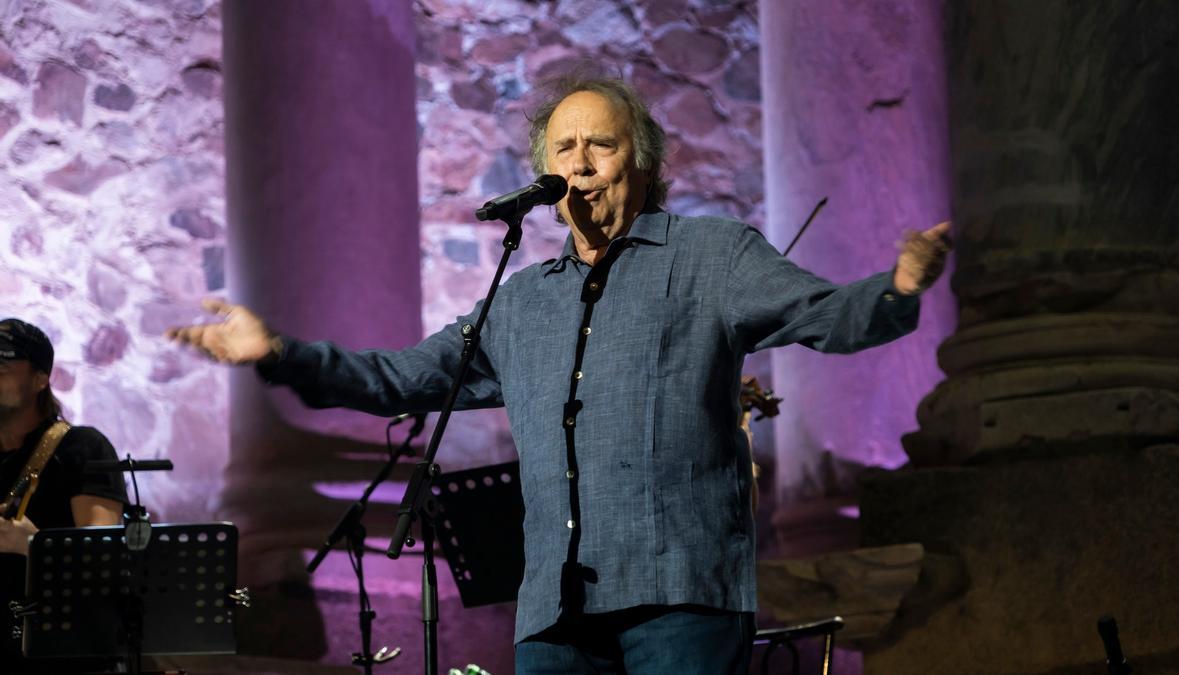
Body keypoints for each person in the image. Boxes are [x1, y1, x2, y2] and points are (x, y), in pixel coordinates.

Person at [167, 76, 951, 674]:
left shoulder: (712, 257)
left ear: (639, 161)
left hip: (678, 598)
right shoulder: (522, 301)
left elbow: (824, 313)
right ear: (543, 171)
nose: (580, 163)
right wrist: (276, 352)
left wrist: (899, 288)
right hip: (552, 612)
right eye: (564, 149)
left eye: (600, 146)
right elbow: (402, 379)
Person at [0, 318, 128, 672]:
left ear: (41, 379)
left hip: (63, 654)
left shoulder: (82, 447)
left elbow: (105, 561)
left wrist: (33, 545)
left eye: (3, 364)